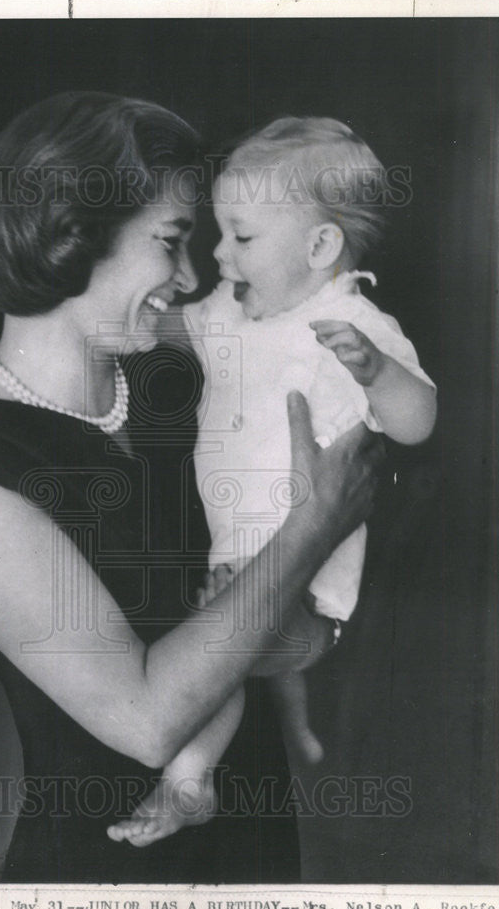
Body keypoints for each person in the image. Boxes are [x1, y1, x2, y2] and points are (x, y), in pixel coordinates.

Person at [0, 93, 382, 883]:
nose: (194, 277)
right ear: (70, 234)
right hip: (104, 886)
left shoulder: (180, 390)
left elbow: (303, 628)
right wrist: (314, 523)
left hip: (259, 867)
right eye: (171, 242)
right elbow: (150, 721)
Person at [108, 117, 435, 847]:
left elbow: (416, 423)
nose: (218, 254)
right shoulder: (232, 308)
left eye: (241, 237)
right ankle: (289, 717)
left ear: (320, 247)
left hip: (304, 585)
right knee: (222, 642)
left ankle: (190, 779)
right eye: (217, 232)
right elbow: (176, 328)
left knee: (211, 651)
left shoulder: (353, 321)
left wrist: (378, 374)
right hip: (240, 554)